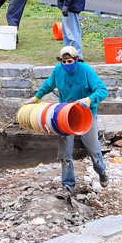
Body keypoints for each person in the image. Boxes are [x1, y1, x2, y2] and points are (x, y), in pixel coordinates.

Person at [24, 46, 109, 199]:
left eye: (70, 61)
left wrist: (89, 100)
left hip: (86, 115)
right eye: (64, 61)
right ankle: (67, 185)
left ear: (76, 60)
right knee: (64, 152)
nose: (67, 64)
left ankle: (102, 171)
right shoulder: (58, 70)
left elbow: (102, 90)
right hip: (65, 115)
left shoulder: (85, 70)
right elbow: (48, 85)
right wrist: (36, 98)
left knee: (93, 150)